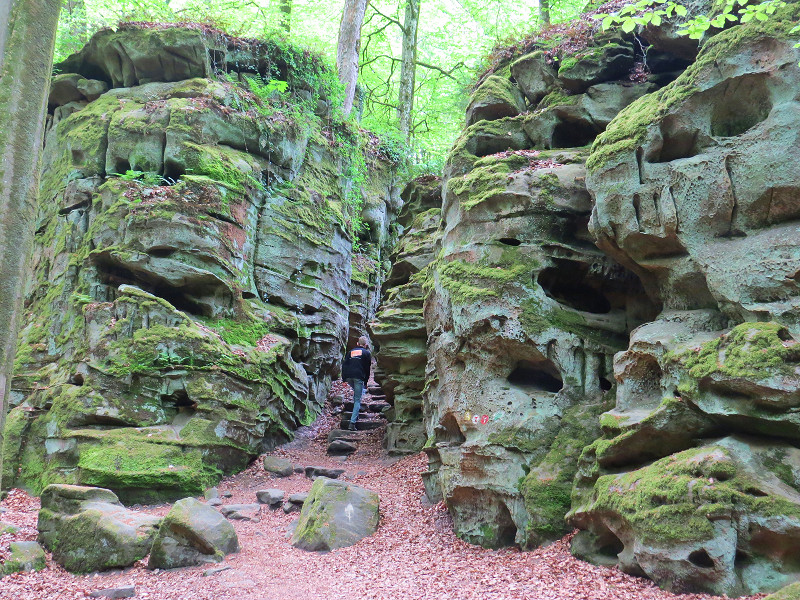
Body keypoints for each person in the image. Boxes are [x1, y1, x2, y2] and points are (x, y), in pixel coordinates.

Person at [341, 336, 371, 431]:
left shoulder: (351, 352)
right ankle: (352, 423)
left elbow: (345, 365)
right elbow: (367, 369)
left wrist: (344, 377)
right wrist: (366, 381)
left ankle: (355, 413)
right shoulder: (366, 353)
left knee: (357, 395)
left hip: (349, 376)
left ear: (357, 343)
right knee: (357, 399)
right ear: (365, 345)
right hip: (358, 377)